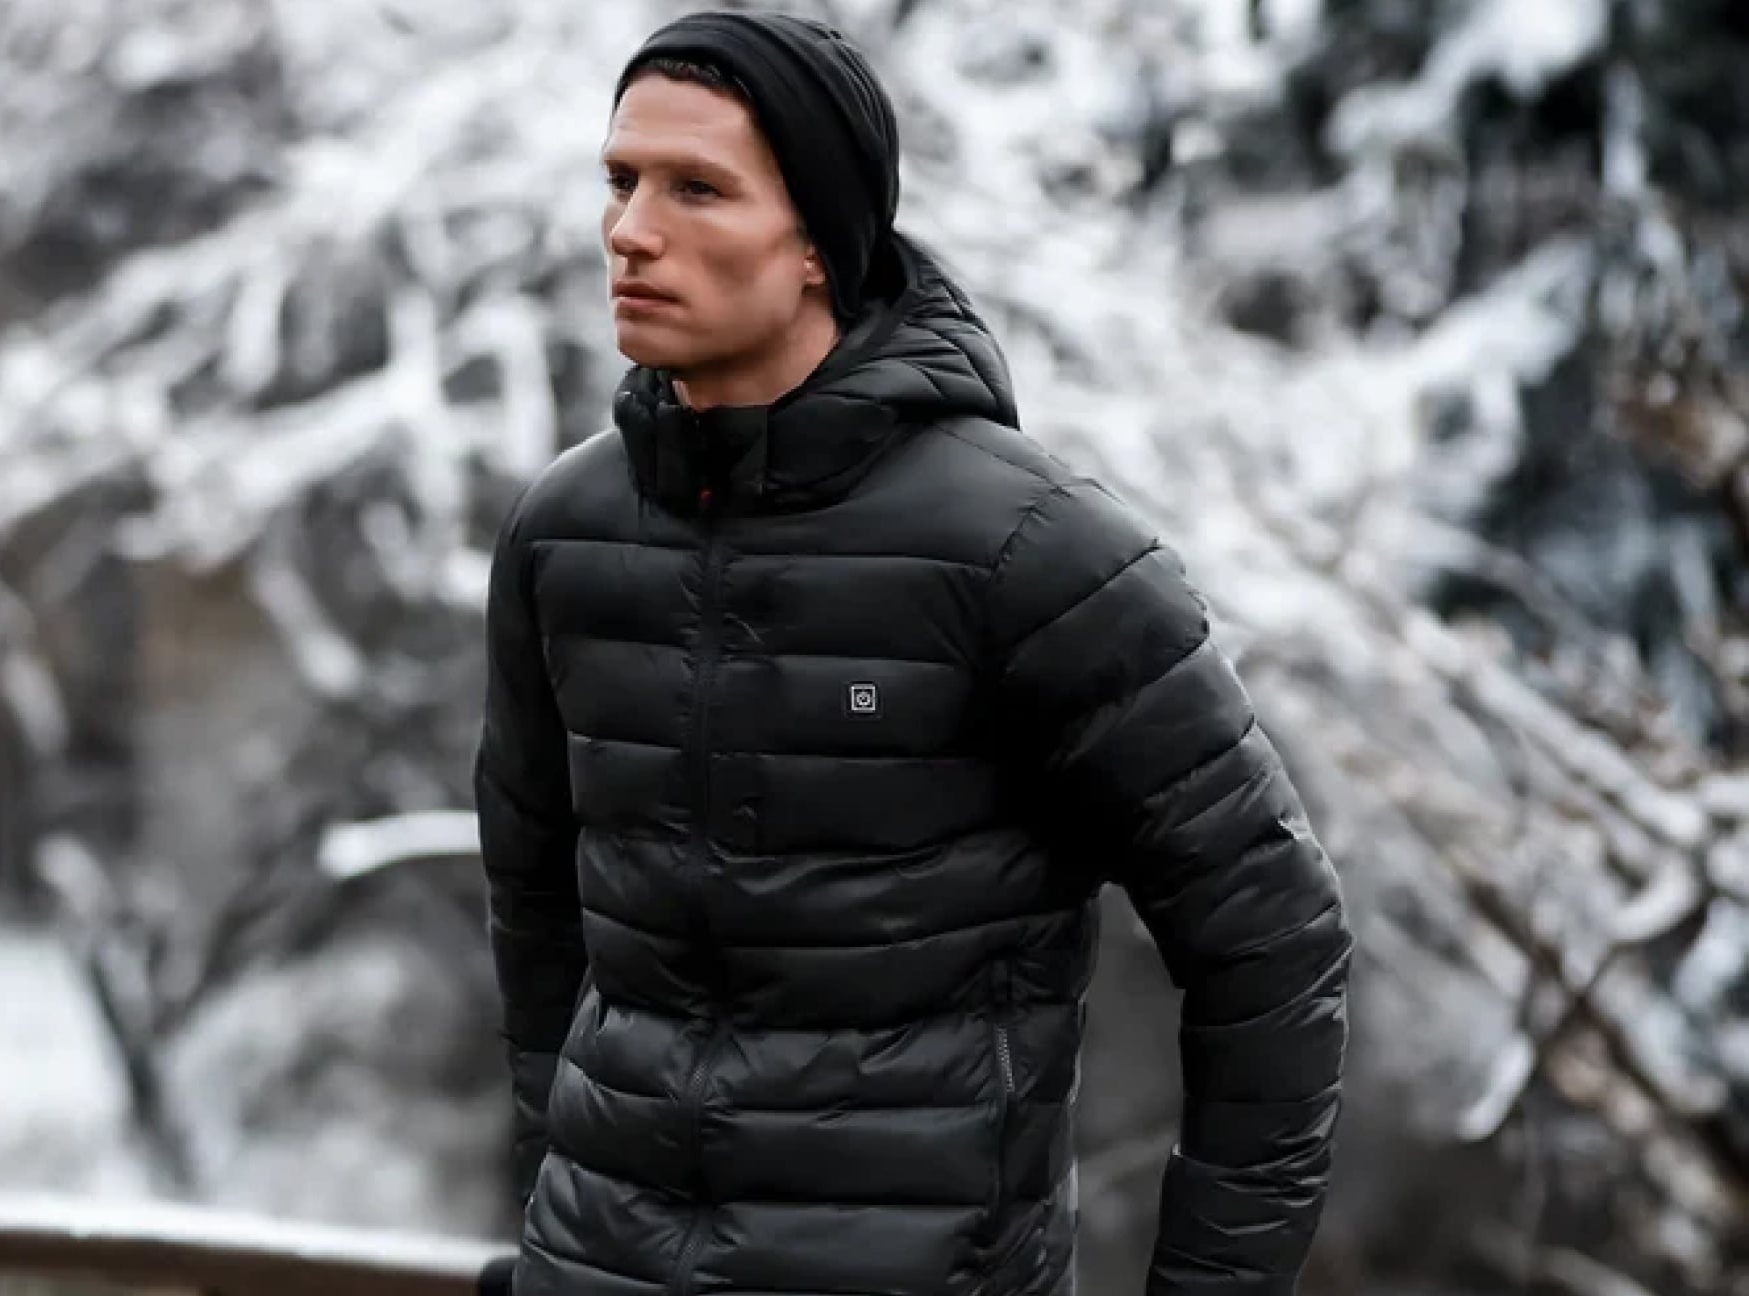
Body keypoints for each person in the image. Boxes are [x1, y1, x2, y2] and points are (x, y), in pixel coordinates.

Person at [473, 10, 1353, 1296]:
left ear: (821, 244)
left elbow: (1275, 940)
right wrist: (561, 1203)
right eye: (622, 180)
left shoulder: (1036, 553)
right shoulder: (565, 531)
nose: (631, 231)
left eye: (697, 189)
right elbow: (534, 903)